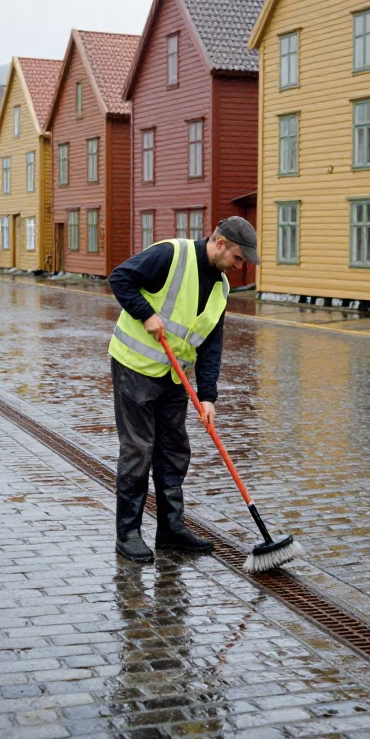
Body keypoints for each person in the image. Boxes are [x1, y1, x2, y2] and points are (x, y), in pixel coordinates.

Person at [107, 216, 260, 563]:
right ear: (220, 242)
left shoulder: (221, 288)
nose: (240, 267)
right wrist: (146, 313)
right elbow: (121, 277)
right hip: (134, 365)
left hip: (174, 376)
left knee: (174, 450)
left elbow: (211, 346)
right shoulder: (171, 254)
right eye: (238, 258)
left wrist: (208, 396)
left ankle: (170, 529)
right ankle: (128, 533)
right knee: (138, 449)